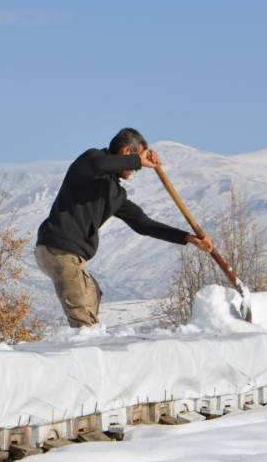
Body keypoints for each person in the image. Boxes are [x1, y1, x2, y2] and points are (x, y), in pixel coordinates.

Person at [35, 128, 214, 327]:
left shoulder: (115, 194)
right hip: (59, 250)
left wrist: (188, 238)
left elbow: (143, 224)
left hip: (70, 256)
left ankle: (87, 338)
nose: (136, 170)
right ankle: (81, 344)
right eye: (135, 162)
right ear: (126, 152)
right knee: (83, 323)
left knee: (93, 293)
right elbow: (99, 164)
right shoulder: (90, 160)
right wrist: (139, 161)